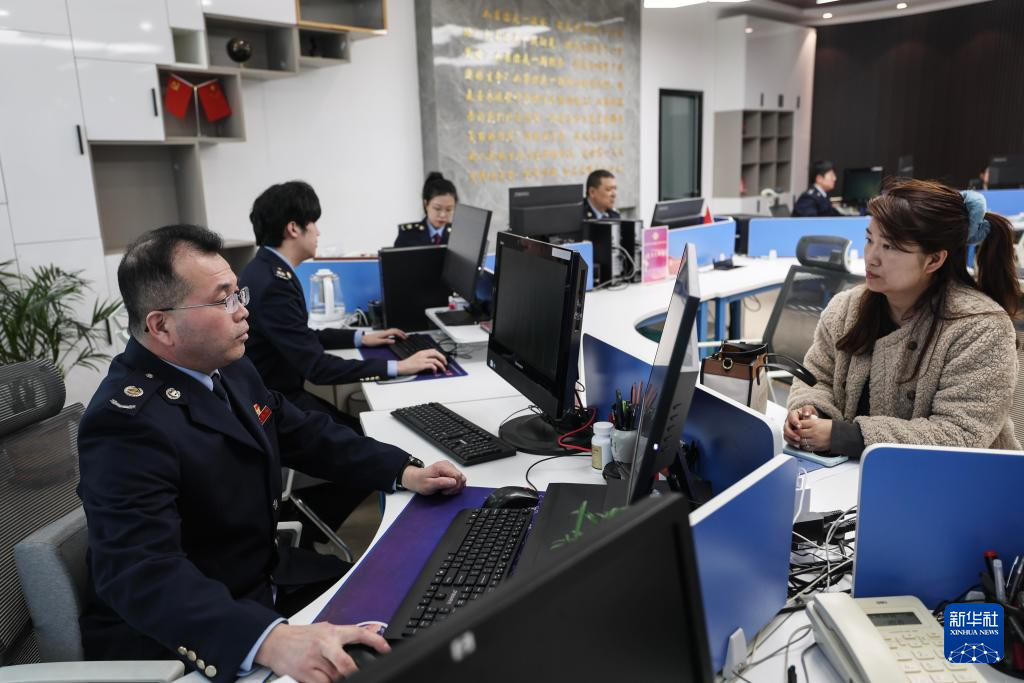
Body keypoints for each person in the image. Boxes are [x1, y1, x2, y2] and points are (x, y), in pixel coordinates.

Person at [77, 224, 468, 683]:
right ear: (161, 325)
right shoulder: (124, 424)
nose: (243, 310)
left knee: (408, 606)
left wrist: (403, 470)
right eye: (223, 300)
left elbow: (302, 433)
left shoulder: (228, 367)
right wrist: (269, 640)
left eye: (237, 293)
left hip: (259, 582)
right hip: (192, 632)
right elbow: (142, 572)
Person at [785, 179, 1021, 459]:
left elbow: (960, 434)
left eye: (890, 247)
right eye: (870, 240)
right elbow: (816, 378)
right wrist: (809, 412)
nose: (871, 257)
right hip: (851, 474)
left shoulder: (981, 327)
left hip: (959, 480)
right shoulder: (846, 309)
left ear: (934, 260)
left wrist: (845, 436)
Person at [241, 180, 447, 425]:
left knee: (361, 427)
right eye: (313, 223)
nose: (318, 232)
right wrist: (398, 367)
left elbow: (301, 335)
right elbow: (318, 367)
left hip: (273, 395)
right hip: (274, 405)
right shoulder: (274, 284)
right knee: (366, 432)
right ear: (294, 228)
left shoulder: (264, 270)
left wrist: (361, 338)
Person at [394, 172, 457, 247]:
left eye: (449, 209)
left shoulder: (459, 235)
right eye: (437, 208)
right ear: (426, 204)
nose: (443, 215)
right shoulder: (407, 235)